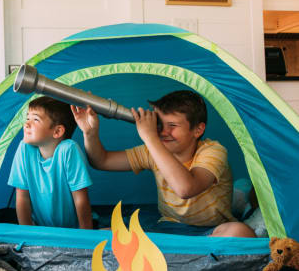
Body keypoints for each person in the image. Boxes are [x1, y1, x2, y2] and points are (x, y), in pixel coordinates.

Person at [71, 90, 256, 237]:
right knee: (104, 236)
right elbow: (101, 161)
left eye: (173, 126)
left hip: (209, 231)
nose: (164, 132)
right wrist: (90, 133)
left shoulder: (213, 151)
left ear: (198, 130)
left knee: (241, 232)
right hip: (168, 228)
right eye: (160, 124)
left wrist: (150, 137)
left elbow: (186, 189)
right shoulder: (154, 149)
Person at [8, 96, 93, 229]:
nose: (27, 124)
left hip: (72, 229)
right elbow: (22, 197)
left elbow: (80, 198)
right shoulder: (24, 149)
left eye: (35, 119)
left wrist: (86, 235)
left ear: (57, 131)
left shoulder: (68, 150)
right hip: (40, 228)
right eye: (27, 118)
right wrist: (27, 232)